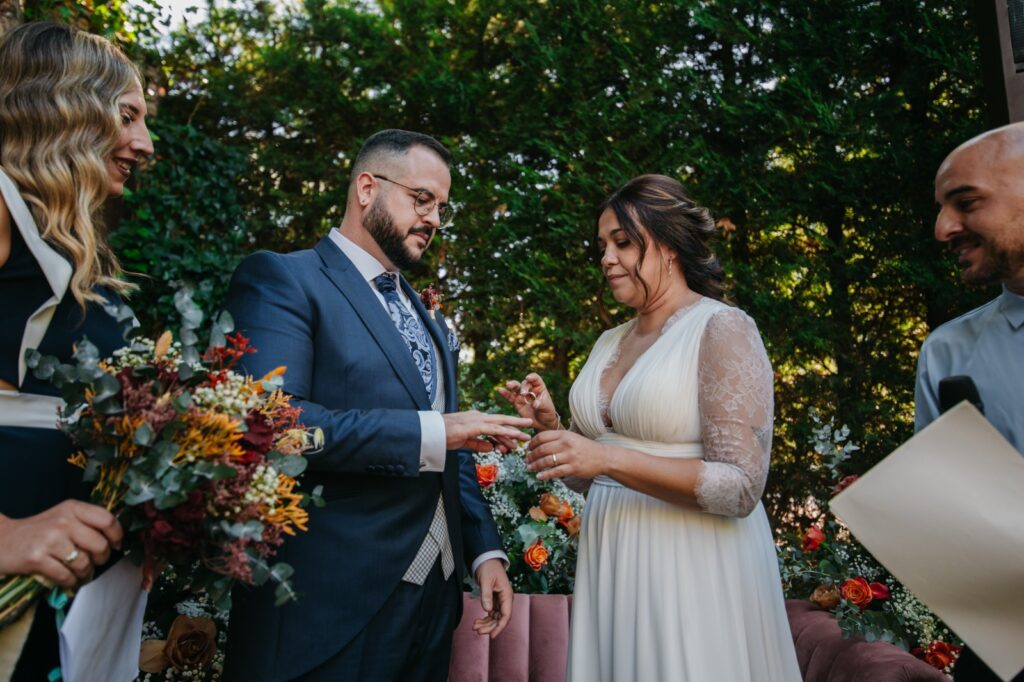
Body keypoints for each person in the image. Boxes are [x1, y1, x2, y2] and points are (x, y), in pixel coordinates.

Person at [223, 129, 532, 681]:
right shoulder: (285, 279)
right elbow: (272, 424)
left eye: (442, 207)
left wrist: (485, 553)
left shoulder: (430, 317)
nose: (434, 219)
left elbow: (451, 445)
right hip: (324, 607)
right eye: (421, 199)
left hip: (433, 603)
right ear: (367, 188)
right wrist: (435, 432)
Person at [499, 174, 801, 681]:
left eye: (623, 243)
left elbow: (741, 487)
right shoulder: (609, 340)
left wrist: (605, 458)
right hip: (615, 562)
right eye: (603, 245)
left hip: (692, 568)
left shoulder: (721, 328)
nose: (606, 258)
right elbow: (591, 473)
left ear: (668, 246)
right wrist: (553, 429)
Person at [0, 20, 152, 679]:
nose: (144, 143)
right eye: (128, 116)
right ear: (67, 107)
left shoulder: (68, 257)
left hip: (47, 610)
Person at [917, 123, 1024, 682]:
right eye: (942, 208)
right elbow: (949, 523)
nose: (943, 229)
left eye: (965, 203)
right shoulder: (946, 354)